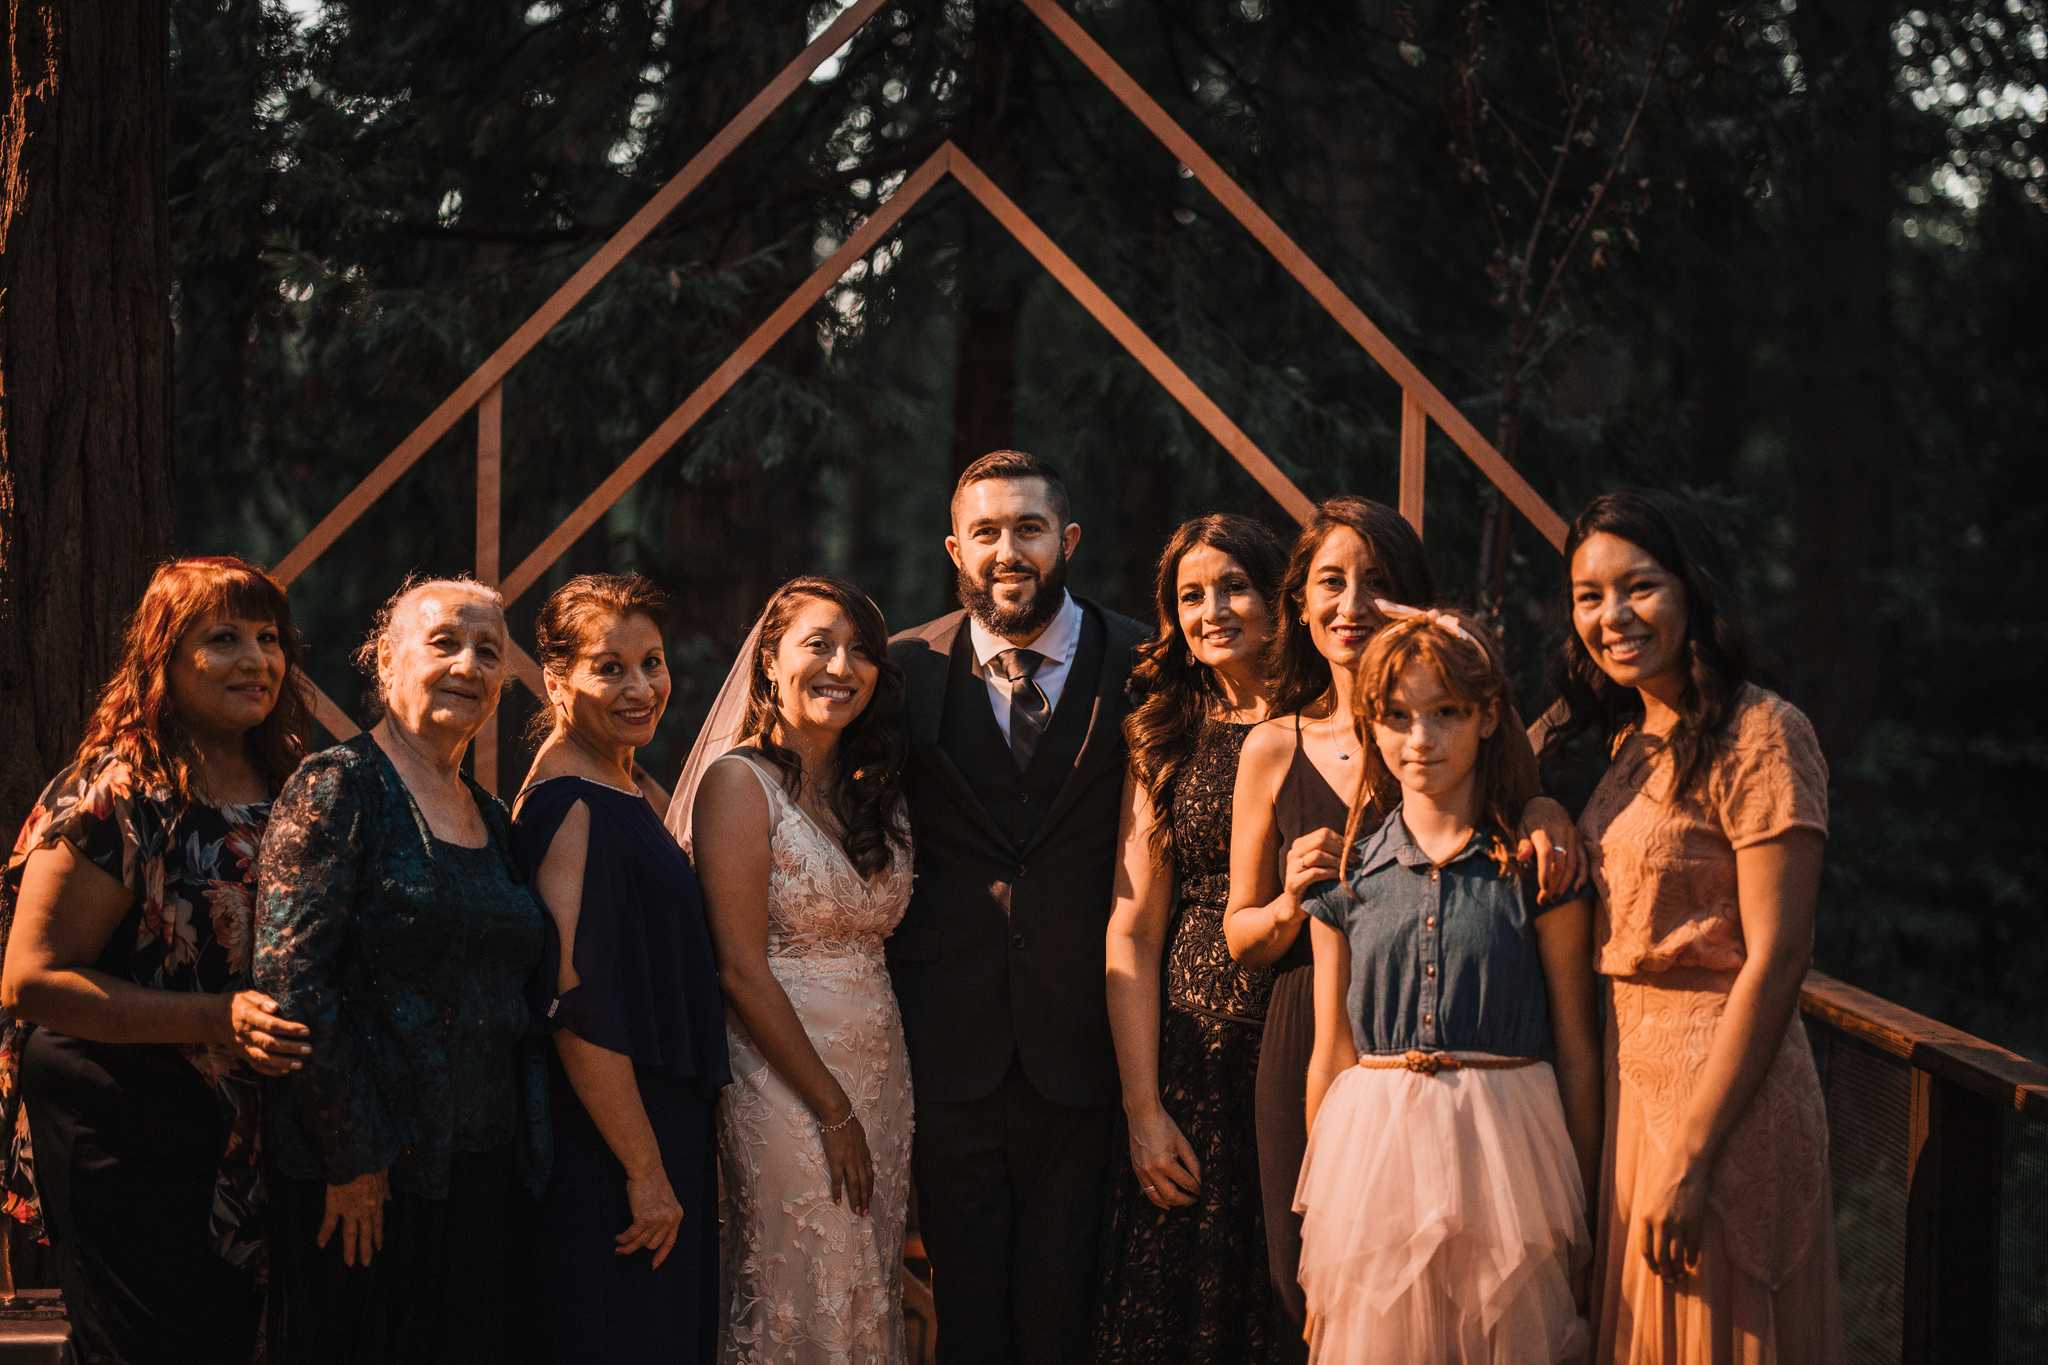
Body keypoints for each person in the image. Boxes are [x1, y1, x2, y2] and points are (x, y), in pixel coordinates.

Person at [1223, 496, 1581, 1335]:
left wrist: (1547, 813)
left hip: (1474, 1029)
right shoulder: (1275, 745)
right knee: (1327, 1289)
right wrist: (1287, 897)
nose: (1353, 607)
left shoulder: (1456, 726)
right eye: (1332, 583)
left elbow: (1522, 802)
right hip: (1325, 1033)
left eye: (1377, 584)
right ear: (1301, 601)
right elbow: (1241, 931)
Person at [0, 556, 314, 1365]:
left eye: (268, 637)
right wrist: (218, 1017)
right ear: (163, 659)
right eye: (223, 638)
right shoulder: (116, 792)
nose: (257, 659)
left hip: (246, 1139)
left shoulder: (287, 782)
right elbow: (32, 979)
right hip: (126, 1124)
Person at [1552, 490, 1842, 1363]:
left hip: (1723, 1104)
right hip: (1633, 1089)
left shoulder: (1762, 734)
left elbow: (1780, 957)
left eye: (1638, 586)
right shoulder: (1628, 739)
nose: (1613, 616)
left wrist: (1693, 1152)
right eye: (1588, 596)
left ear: (1691, 591)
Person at [887, 450, 1148, 1363]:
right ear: (955, 548)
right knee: (967, 1318)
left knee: (1068, 1316)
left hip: (1092, 1053)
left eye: (1029, 528)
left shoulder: (1148, 661)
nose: (1008, 550)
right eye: (986, 532)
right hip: (950, 1052)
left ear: (1066, 540)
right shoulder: (901, 670)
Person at [255, 575, 547, 1364]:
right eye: (445, 641)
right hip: (367, 1186)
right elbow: (291, 984)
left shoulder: (487, 811)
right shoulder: (337, 786)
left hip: (483, 1171)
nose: (470, 664)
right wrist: (353, 1157)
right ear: (387, 662)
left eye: (490, 651)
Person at [1297, 606, 1600, 1363]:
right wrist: (1323, 1229)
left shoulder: (1534, 867)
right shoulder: (1347, 878)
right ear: (1371, 723)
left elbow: (1577, 1044)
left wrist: (1592, 1207)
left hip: (1510, 1161)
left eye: (1446, 714)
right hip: (1376, 1167)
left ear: (1489, 715)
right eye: (1397, 717)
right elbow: (1330, 1053)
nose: (1421, 739)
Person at [673, 575, 914, 1363]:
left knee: (865, 1279)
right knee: (800, 1276)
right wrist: (833, 1110)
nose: (842, 665)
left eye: (860, 651)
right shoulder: (738, 785)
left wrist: (861, 1104)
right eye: (819, 644)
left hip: (880, 1068)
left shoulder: (873, 790)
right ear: (769, 661)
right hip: (784, 1077)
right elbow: (740, 969)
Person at [510, 574, 729, 1363]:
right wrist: (645, 1169)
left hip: (656, 1123)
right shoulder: (570, 803)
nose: (641, 688)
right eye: (610, 667)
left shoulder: (621, 779)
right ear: (555, 678)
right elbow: (575, 1003)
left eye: (653, 662)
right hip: (615, 1147)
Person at [1095, 513, 1295, 1363]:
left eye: (1234, 586)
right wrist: (1143, 1109)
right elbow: (1134, 927)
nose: (1212, 609)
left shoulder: (1331, 724)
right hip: (1188, 1060)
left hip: (1303, 1036)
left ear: (1278, 597)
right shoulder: (1166, 733)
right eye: (1191, 595)